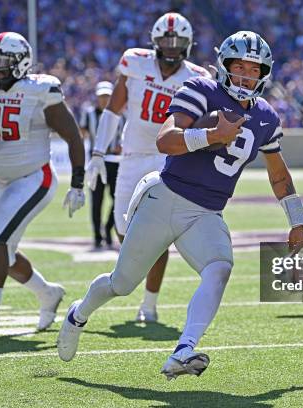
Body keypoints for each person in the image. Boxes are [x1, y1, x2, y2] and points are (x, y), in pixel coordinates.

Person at [58, 31, 303, 379]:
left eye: (254, 70)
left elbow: (279, 175)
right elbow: (165, 140)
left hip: (206, 212)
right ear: (224, 67)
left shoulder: (266, 117)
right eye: (239, 67)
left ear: (264, 74)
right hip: (167, 198)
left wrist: (298, 221)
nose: (245, 77)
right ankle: (78, 314)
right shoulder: (200, 91)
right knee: (121, 283)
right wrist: (211, 135)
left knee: (219, 267)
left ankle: (183, 350)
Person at [0, 32, 86, 334]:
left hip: (35, 177)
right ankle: (47, 293)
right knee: (1, 249)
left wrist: (77, 183)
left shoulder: (40, 90)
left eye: (4, 62)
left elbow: (73, 136)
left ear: (22, 63)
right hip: (1, 181)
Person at [85, 12, 211, 322]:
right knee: (123, 229)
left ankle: (149, 305)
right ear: (154, 43)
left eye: (177, 42)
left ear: (188, 45)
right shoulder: (135, 62)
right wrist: (98, 153)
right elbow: (114, 110)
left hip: (167, 159)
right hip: (131, 156)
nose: (171, 47)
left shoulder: (196, 78)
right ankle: (137, 280)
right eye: (165, 41)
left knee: (157, 232)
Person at [79, 81, 123, 249]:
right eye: (102, 96)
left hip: (116, 162)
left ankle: (109, 228)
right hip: (97, 162)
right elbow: (81, 134)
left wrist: (122, 145)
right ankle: (98, 236)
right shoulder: (88, 114)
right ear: (97, 98)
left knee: (118, 199)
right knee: (96, 201)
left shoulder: (121, 113)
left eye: (107, 96)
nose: (104, 99)